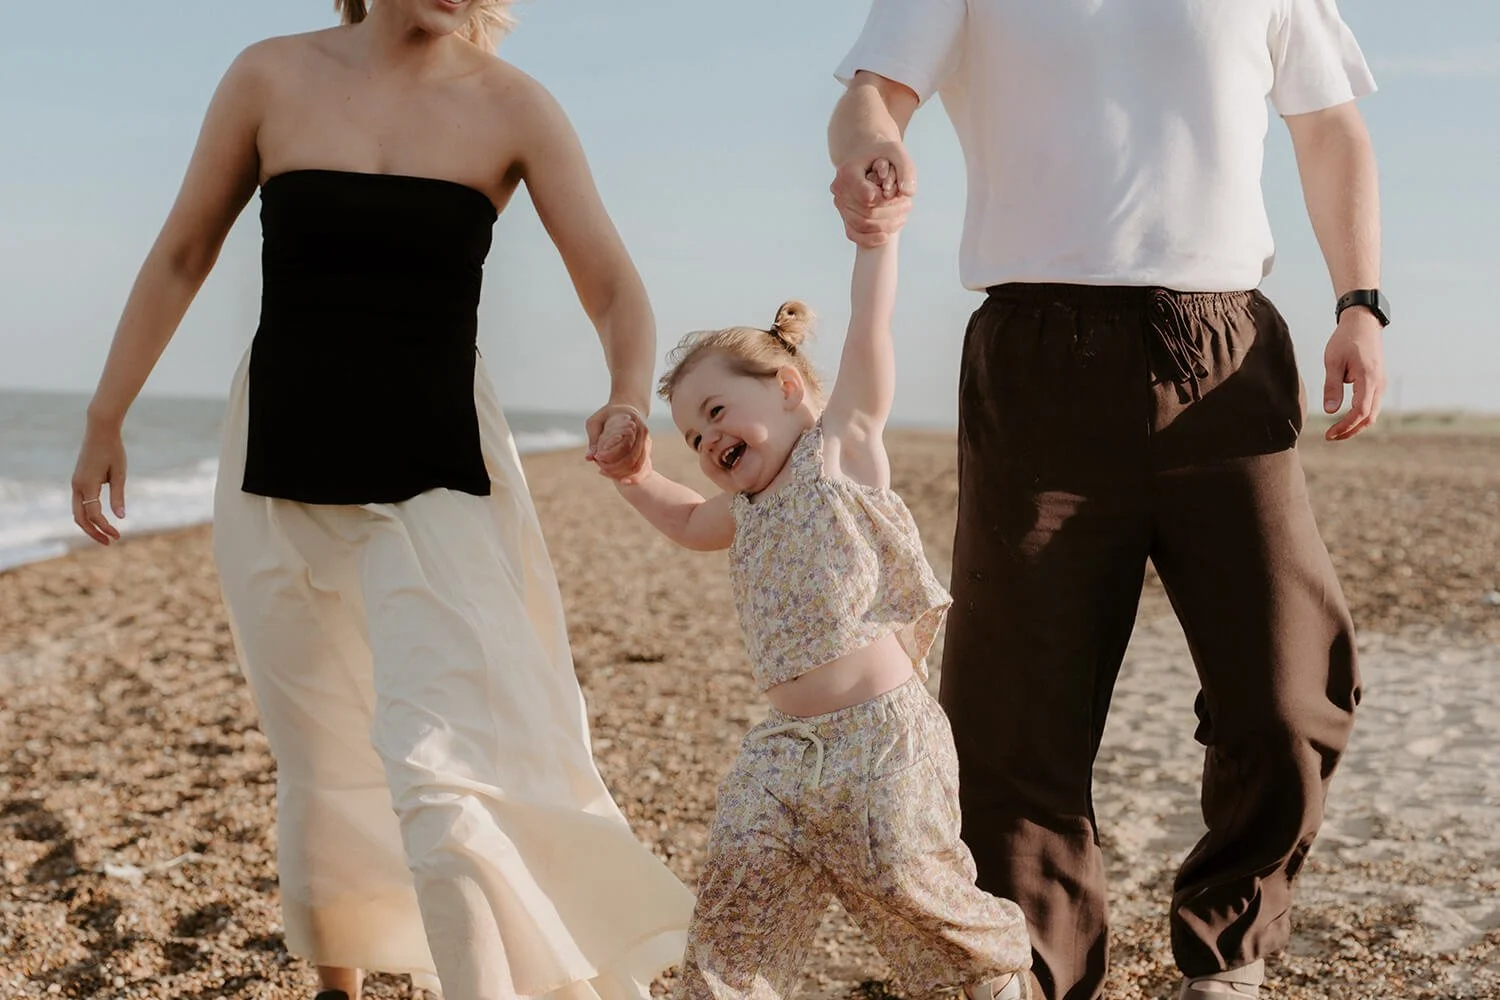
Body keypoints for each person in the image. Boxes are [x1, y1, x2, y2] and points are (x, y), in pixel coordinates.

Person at [68, 2, 693, 997]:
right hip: (276, 455)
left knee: (442, 767)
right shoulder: (268, 76)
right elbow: (184, 250)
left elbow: (613, 282)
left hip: (438, 463)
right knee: (317, 747)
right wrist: (107, 416)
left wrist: (626, 389)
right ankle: (337, 983)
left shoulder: (515, 106)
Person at [826, 3, 1380, 999]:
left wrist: (1360, 300)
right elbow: (876, 91)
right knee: (1012, 720)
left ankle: (1229, 955)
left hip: (1225, 355)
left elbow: (1331, 125)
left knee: (1292, 688)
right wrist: (871, 144)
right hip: (1039, 359)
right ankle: (1035, 976)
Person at [610, 223, 1043, 1000]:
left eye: (716, 411)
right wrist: (637, 476)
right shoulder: (742, 511)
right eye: (693, 435)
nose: (708, 440)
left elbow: (870, 336)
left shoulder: (837, 451)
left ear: (784, 387)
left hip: (884, 735)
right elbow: (682, 520)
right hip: (784, 749)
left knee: (908, 877)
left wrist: (877, 244)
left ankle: (995, 971)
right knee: (740, 880)